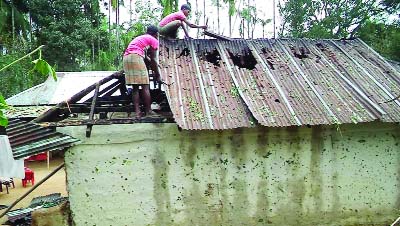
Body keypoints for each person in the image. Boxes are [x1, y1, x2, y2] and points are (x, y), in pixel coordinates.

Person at [123, 25, 161, 119]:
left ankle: (138, 113)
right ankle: (148, 111)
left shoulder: (141, 38)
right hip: (136, 57)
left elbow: (146, 58)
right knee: (145, 86)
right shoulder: (154, 40)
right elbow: (153, 59)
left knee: (135, 87)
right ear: (156, 34)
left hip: (127, 58)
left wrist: (153, 64)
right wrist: (158, 75)